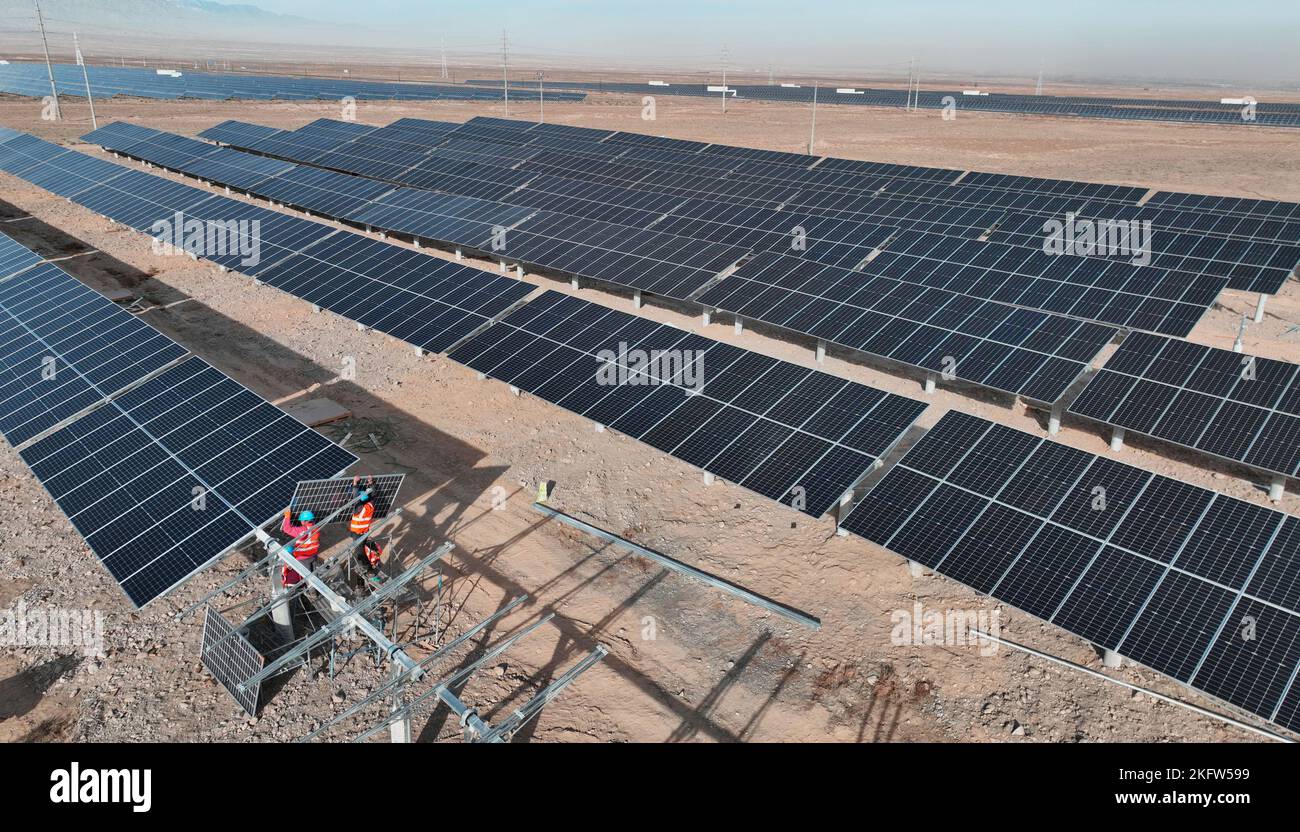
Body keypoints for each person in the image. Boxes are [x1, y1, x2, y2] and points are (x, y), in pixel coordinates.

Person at [280, 508, 320, 586]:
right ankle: (315, 585)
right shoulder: (316, 528)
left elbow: (287, 529)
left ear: (305, 521)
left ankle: (311, 590)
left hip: (303, 557)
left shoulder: (302, 531)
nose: (300, 522)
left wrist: (287, 516)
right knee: (314, 572)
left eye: (301, 520)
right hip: (313, 554)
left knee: (307, 576)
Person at [349, 476, 376, 541]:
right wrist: (371, 482)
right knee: (362, 545)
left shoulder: (359, 508)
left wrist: (355, 482)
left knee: (359, 549)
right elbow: (373, 495)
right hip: (365, 531)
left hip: (356, 533)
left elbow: (355, 496)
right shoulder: (370, 506)